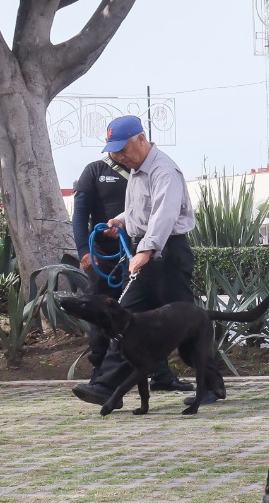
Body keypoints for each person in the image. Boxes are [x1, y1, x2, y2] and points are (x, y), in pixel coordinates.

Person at [71, 115, 197, 405]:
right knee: (123, 318)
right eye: (114, 150)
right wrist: (120, 220)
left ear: (142, 139)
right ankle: (106, 387)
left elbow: (164, 215)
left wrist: (145, 251)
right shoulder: (138, 171)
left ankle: (212, 384)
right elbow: (142, 212)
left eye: (123, 148)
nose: (119, 156)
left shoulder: (164, 170)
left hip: (169, 255)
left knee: (187, 324)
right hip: (148, 254)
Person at [70, 154, 131, 383]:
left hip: (137, 252)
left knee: (143, 310)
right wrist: (84, 252)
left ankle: (157, 371)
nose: (120, 152)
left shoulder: (145, 170)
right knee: (101, 313)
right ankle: (100, 370)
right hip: (103, 257)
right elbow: (79, 216)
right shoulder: (94, 171)